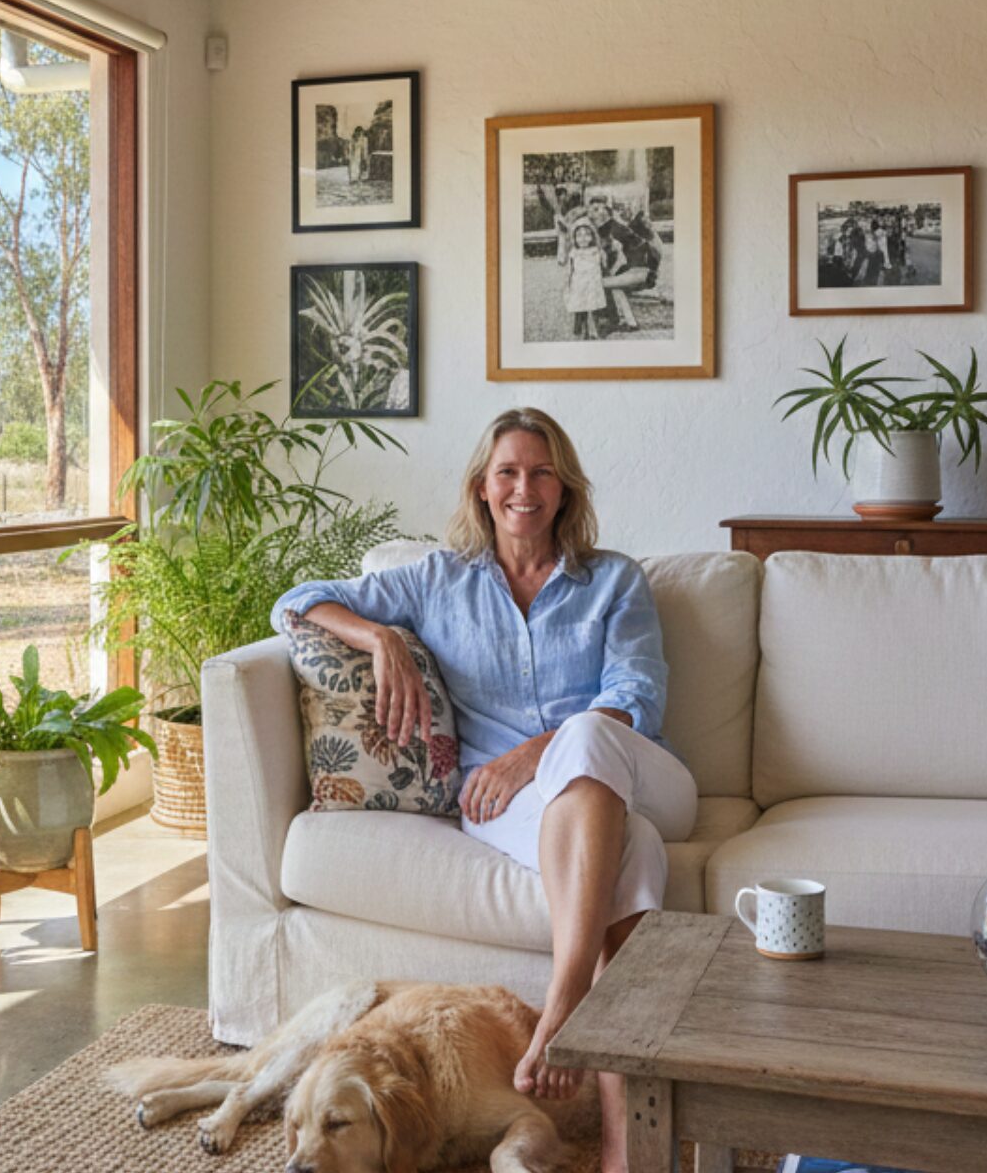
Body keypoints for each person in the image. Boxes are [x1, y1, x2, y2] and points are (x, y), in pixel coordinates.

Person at [269, 409, 698, 1173]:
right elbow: (297, 599)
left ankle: (565, 1004)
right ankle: (626, 1151)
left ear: (564, 489)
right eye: (508, 472)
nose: (523, 488)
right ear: (482, 487)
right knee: (630, 856)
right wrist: (382, 636)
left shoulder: (615, 579)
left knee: (590, 740)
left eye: (540, 472)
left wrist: (536, 753)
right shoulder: (438, 580)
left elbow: (637, 694)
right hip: (521, 811)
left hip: (640, 771)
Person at [586, 195, 660, 332]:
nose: (593, 214)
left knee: (599, 282)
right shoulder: (616, 227)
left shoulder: (613, 230)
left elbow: (619, 256)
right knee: (614, 284)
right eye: (592, 210)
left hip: (640, 272)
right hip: (646, 271)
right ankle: (630, 322)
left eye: (597, 209)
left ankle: (607, 321)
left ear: (606, 211)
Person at [564, 220, 607, 339]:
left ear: (593, 237)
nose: (583, 238)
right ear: (574, 238)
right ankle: (582, 329)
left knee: (593, 307)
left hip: (593, 284)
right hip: (579, 284)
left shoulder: (596, 252)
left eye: (587, 235)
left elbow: (603, 267)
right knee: (580, 306)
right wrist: (568, 285)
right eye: (579, 235)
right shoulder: (574, 253)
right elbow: (570, 270)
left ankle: (595, 330)